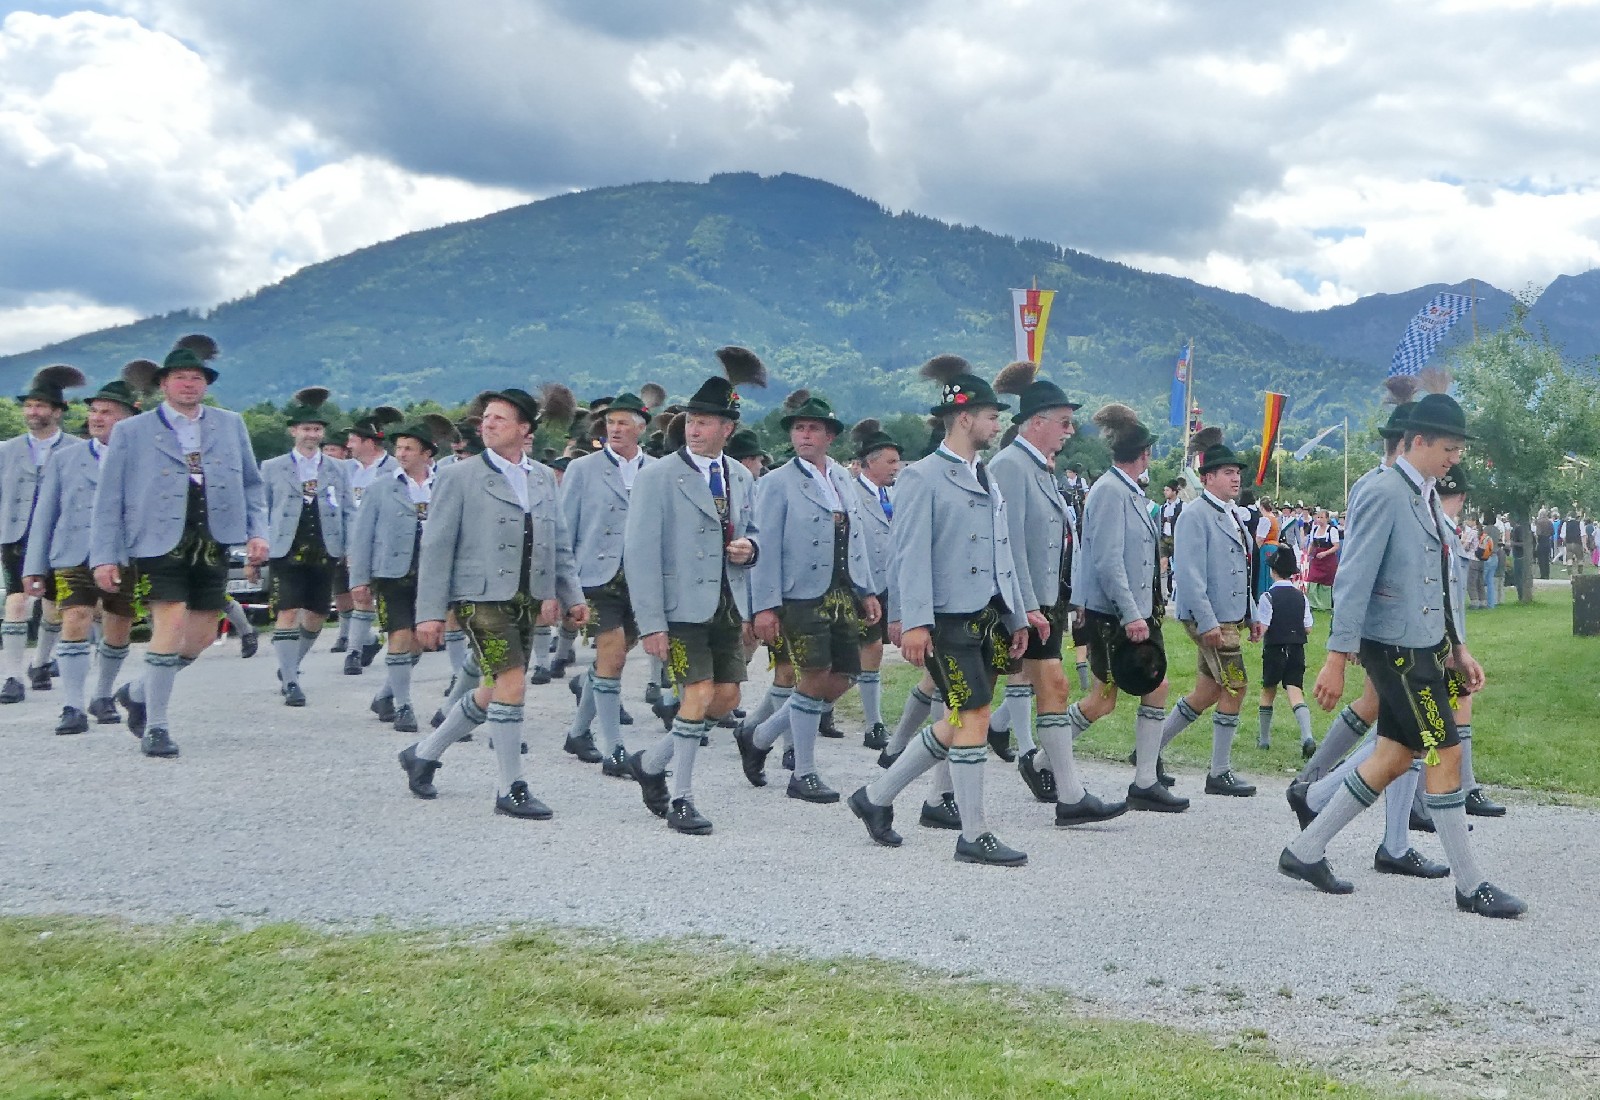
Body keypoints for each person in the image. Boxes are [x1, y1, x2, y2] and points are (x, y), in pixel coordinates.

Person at [1284, 392, 1524, 918]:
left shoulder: (1425, 495)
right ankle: (1470, 885)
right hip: (1395, 651)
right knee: (1445, 753)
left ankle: (1305, 849)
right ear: (1418, 441)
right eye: (1449, 448)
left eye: (1458, 449)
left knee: (1394, 756)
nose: (1455, 458)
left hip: (1423, 648)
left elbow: (1439, 580)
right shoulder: (1385, 491)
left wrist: (1458, 647)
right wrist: (1336, 656)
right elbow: (1353, 578)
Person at [846, 354, 1031, 865]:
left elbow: (1002, 554)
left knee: (957, 718)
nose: (997, 425)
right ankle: (973, 833)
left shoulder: (985, 475)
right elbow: (908, 554)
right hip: (946, 618)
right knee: (972, 714)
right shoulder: (922, 476)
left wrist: (1015, 615)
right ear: (965, 418)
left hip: (985, 616)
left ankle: (876, 796)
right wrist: (913, 622)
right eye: (991, 416)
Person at [399, 383, 584, 818]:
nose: (488, 424)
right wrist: (429, 613)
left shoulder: (542, 476)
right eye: (485, 418)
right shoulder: (458, 476)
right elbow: (436, 548)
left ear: (524, 429)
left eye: (499, 418)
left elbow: (558, 542)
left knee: (492, 688)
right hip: (478, 597)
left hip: (526, 596)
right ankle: (510, 788)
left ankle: (423, 754)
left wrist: (570, 594)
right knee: (512, 682)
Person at [92, 335, 270, 759]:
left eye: (196, 378)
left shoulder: (230, 424)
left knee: (201, 637)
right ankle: (157, 727)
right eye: (180, 378)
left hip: (212, 538)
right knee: (169, 626)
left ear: (205, 384)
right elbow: (109, 497)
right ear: (163, 384)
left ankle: (138, 692)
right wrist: (104, 556)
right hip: (157, 541)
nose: (189, 384)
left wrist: (257, 531)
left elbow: (252, 484)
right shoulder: (132, 430)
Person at [624, 348, 766, 835]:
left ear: (728, 428)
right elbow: (640, 554)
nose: (694, 428)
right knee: (698, 693)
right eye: (691, 420)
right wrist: (651, 624)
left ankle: (651, 762)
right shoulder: (657, 476)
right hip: (679, 608)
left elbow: (754, 531)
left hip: (727, 604)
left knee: (725, 698)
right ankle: (681, 798)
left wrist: (751, 548)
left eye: (705, 422)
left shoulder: (741, 475)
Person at [989, 361, 1122, 824]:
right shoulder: (1010, 466)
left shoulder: (1040, 467)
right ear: (1037, 421)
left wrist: (1069, 597)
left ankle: (1068, 793)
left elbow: (1061, 541)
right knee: (973, 698)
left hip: (1045, 599)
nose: (1069, 431)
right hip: (1019, 602)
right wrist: (1027, 606)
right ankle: (921, 791)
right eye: (1064, 422)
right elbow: (1008, 545)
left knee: (1046, 687)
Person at [738, 393, 881, 804]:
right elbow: (763, 548)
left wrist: (866, 589)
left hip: (842, 591)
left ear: (829, 436)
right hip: (799, 594)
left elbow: (857, 539)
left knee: (845, 676)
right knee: (814, 676)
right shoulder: (776, 483)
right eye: (799, 428)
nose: (804, 435)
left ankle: (759, 735)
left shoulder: (842, 478)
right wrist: (764, 606)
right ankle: (803, 772)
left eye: (813, 428)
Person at [1067, 404, 1184, 811]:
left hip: (1133, 610)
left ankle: (1145, 780)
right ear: (1145, 454)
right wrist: (1132, 613)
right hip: (1115, 613)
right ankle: (1044, 759)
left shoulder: (1127, 491)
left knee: (1155, 685)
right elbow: (1107, 560)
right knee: (1103, 698)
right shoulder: (1110, 491)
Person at [22, 369, 147, 733]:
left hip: (124, 556)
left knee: (118, 626)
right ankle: (72, 705)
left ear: (128, 419)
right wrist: (33, 566)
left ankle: (103, 694)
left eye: (107, 412)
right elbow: (45, 515)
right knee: (75, 618)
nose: (96, 418)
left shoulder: (143, 459)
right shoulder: (66, 458)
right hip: (72, 552)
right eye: (94, 410)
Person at [558, 389, 657, 776]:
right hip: (596, 578)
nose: (614, 429)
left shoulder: (658, 470)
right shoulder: (583, 469)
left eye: (623, 423)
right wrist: (564, 587)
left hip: (642, 580)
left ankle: (577, 732)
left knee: (612, 658)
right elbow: (565, 530)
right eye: (610, 423)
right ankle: (614, 750)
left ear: (640, 429)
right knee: (612, 657)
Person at [1160, 429, 1259, 797]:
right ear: (1207, 478)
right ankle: (1219, 772)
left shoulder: (1231, 514)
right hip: (1211, 617)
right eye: (1228, 472)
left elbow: (1243, 568)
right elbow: (1189, 574)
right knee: (1237, 685)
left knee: (1207, 690)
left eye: (1237, 472)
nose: (1236, 478)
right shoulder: (1195, 515)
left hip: (1228, 615)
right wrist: (1207, 622)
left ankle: (1148, 749)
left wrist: (1251, 613)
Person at [348, 415, 451, 733]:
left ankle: (385, 695)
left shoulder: (444, 485)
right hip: (392, 573)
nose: (402, 453)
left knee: (419, 642)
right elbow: (362, 536)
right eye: (399, 448)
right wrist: (359, 579)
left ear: (426, 453)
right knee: (400, 635)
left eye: (409, 448)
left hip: (432, 575)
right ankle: (404, 706)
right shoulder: (381, 487)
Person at [258, 387, 352, 708]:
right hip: (286, 547)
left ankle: (291, 664)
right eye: (306, 429)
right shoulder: (273, 467)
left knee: (317, 614)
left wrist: (350, 548)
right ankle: (291, 681)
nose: (311, 435)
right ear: (293, 431)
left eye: (316, 429)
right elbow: (262, 508)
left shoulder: (338, 468)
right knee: (287, 610)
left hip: (325, 547)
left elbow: (349, 510)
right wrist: (259, 543)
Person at [0, 365, 85, 702]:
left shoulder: (77, 448)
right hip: (16, 534)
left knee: (52, 605)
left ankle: (40, 662)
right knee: (17, 600)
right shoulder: (6, 449)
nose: (32, 411)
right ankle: (11, 676)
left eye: (40, 406)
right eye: (29, 405)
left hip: (59, 535)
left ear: (57, 411)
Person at [331, 407, 401, 667]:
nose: (348, 445)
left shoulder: (394, 469)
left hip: (385, 544)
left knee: (380, 599)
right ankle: (357, 649)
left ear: (369, 442)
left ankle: (368, 645)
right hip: (354, 543)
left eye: (353, 440)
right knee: (356, 595)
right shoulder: (344, 469)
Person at [848, 418, 901, 751]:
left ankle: (872, 722)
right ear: (871, 462)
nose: (897, 467)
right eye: (891, 461)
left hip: (889, 583)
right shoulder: (851, 494)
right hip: (860, 584)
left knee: (873, 650)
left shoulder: (895, 494)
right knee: (867, 650)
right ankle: (872, 723)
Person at [1254, 547, 1315, 757]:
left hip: (1275, 649)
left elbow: (1263, 626)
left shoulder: (1268, 596)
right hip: (1297, 649)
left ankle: (1263, 740)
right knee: (1295, 691)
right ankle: (1307, 736)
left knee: (1268, 690)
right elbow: (1308, 627)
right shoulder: (1301, 597)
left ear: (1273, 571)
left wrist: (1254, 634)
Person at [1303, 509, 1340, 612]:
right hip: (1316, 558)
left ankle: (1325, 604)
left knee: (1326, 580)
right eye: (1318, 517)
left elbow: (1336, 546)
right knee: (1313, 578)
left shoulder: (1332, 530)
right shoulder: (1314, 529)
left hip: (1328, 560)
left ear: (1327, 519)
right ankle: (1313, 604)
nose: (1319, 520)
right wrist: (1309, 554)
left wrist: (1325, 553)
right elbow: (1312, 544)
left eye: (1322, 518)